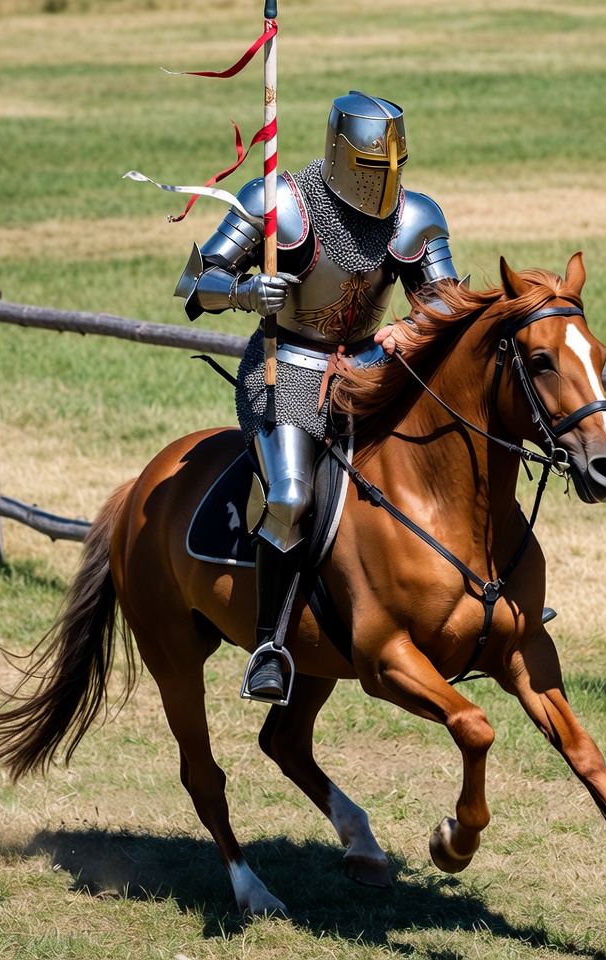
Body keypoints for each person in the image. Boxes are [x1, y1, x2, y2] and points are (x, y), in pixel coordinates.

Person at [174, 91, 460, 703]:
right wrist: (251, 294)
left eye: (392, 168)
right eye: (369, 167)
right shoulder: (278, 204)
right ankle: (269, 646)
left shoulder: (416, 216)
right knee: (290, 494)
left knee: (447, 459)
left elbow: (447, 307)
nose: (382, 182)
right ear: (338, 154)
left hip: (374, 368)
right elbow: (197, 281)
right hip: (287, 370)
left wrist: (409, 329)